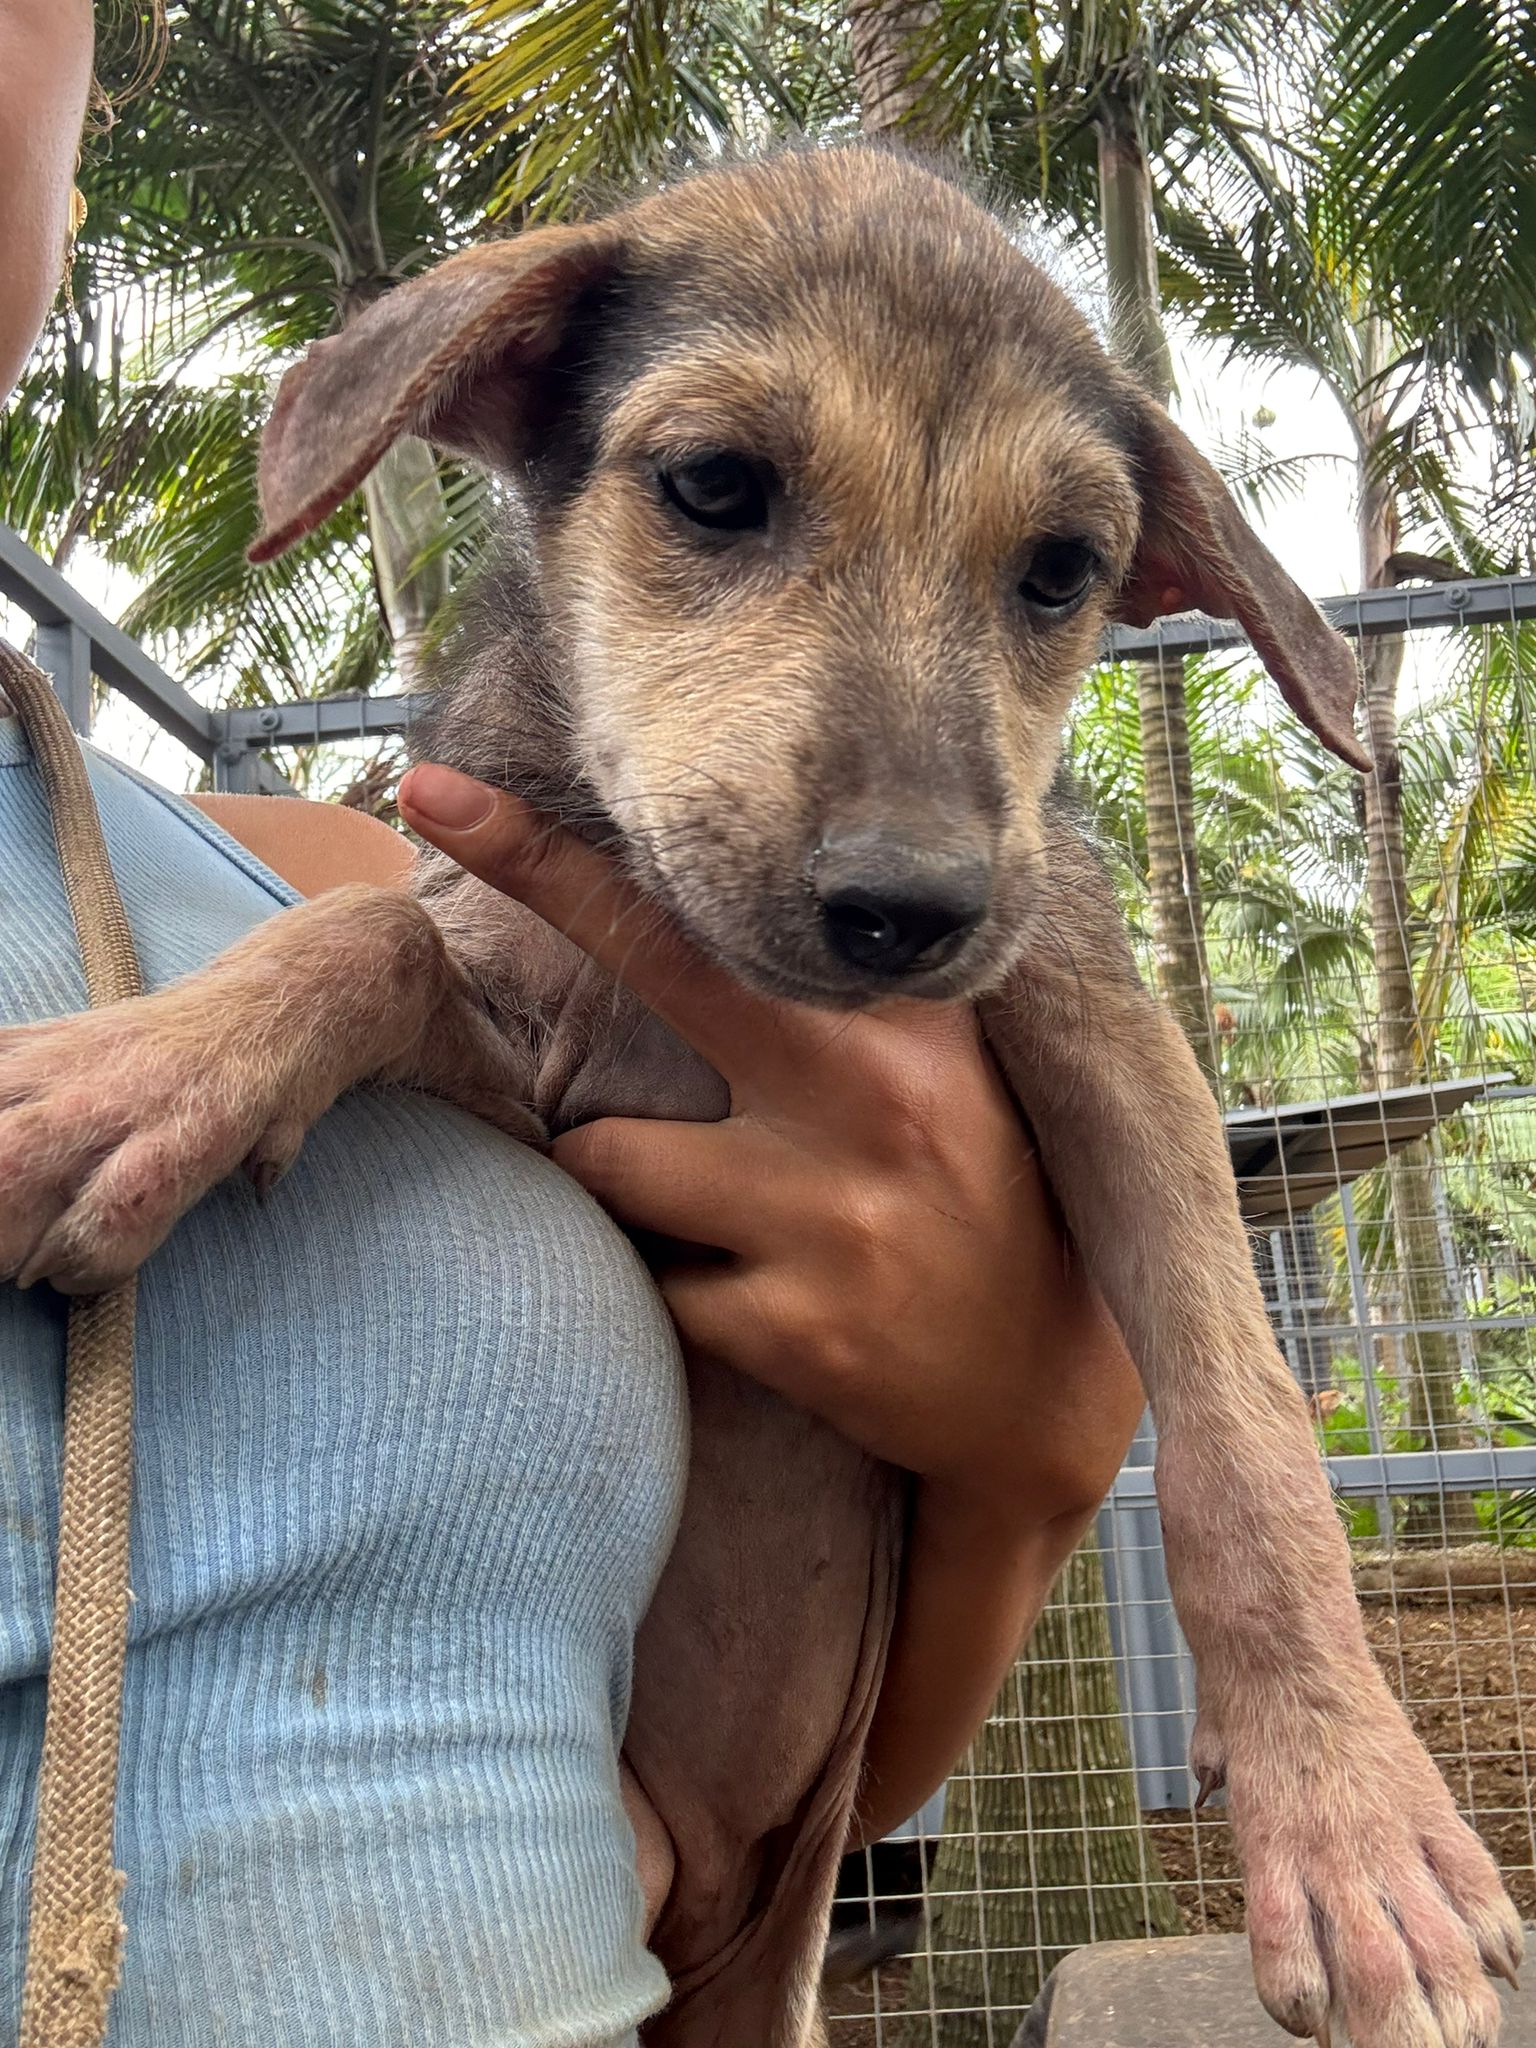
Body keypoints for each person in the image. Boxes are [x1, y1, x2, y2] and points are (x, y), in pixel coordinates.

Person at [0, 4, 1146, 2042]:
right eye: (718, 487)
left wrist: (1030, 1452)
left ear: (69, 188)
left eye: (1055, 568)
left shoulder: (328, 882)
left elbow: (768, 1805)